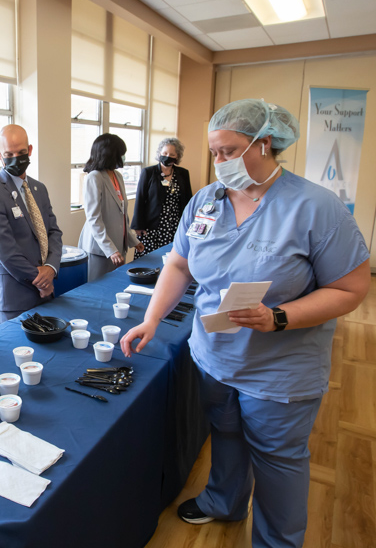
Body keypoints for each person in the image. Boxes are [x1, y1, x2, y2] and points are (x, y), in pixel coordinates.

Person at [120, 99, 370, 548]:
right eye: (214, 152)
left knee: (278, 459)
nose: (219, 162)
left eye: (229, 151)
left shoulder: (315, 207)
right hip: (215, 354)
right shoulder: (206, 201)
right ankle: (224, 500)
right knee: (226, 433)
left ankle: (277, 542)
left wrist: (279, 316)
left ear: (265, 144)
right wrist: (152, 319)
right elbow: (178, 266)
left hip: (279, 369)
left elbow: (351, 289)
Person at [0, 124, 63, 323]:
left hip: (46, 292)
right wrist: (41, 281)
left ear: (30, 150)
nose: (16, 158)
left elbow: (53, 232)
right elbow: (5, 251)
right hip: (15, 296)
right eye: (9, 153)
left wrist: (51, 268)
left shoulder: (39, 188)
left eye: (22, 152)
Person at [77, 133, 143, 281]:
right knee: (99, 290)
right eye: (121, 154)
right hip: (100, 249)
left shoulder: (117, 176)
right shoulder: (94, 177)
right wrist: (110, 250)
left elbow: (123, 215)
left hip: (118, 246)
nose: (123, 157)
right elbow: (94, 219)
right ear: (110, 155)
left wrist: (133, 240)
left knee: (115, 287)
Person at [132, 137, 193, 258]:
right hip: (152, 226)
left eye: (172, 154)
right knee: (149, 259)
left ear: (177, 157)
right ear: (159, 153)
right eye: (164, 153)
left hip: (175, 225)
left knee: (172, 258)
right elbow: (140, 199)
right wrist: (138, 226)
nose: (167, 156)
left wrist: (189, 224)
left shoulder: (183, 173)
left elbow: (188, 200)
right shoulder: (148, 172)